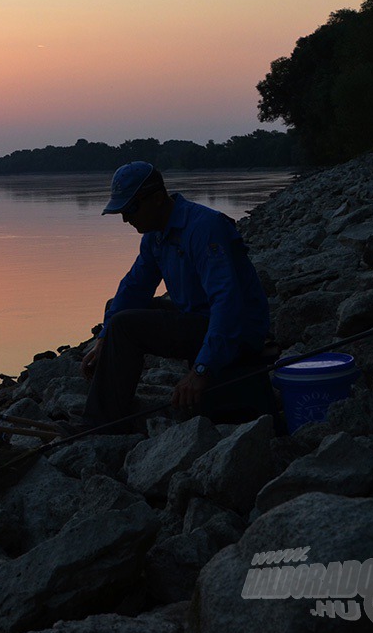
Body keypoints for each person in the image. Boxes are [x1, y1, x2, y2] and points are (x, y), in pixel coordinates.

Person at [73, 161, 273, 434]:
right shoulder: (156, 235)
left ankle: (99, 426)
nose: (125, 219)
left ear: (156, 198)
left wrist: (202, 370)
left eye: (130, 209)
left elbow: (228, 303)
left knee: (126, 326)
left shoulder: (204, 227)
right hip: (198, 319)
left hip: (239, 330)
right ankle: (111, 401)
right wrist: (103, 339)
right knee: (117, 315)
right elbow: (134, 287)